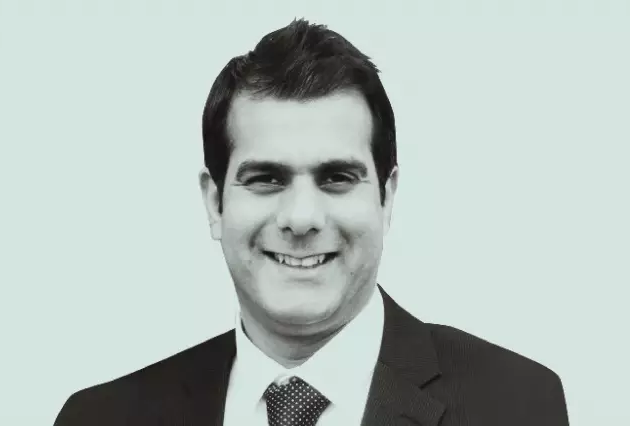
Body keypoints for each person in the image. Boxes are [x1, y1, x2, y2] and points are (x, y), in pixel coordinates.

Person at [54, 19, 570, 426]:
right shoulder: (101, 418)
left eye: (337, 178)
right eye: (266, 179)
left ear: (387, 197)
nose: (301, 218)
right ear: (214, 203)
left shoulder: (515, 404)